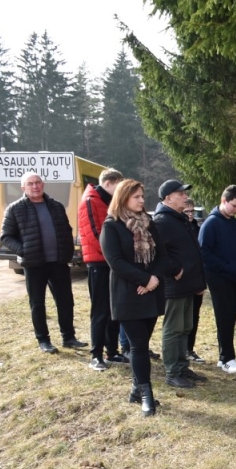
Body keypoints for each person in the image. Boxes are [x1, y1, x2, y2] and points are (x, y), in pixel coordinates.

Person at [100, 179, 166, 416]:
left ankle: (135, 390)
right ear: (123, 197)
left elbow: (161, 254)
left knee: (143, 342)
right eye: (137, 196)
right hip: (127, 294)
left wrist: (153, 279)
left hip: (152, 291)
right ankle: (147, 395)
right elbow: (115, 261)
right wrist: (143, 280)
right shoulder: (111, 226)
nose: (142, 200)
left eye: (142, 196)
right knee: (138, 345)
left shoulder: (148, 223)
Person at [1, 171, 86, 353]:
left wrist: (68, 251)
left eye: (37, 182)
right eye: (30, 184)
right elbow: (6, 237)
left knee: (65, 301)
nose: (35, 186)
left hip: (58, 263)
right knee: (38, 303)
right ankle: (43, 340)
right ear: (23, 187)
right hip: (34, 264)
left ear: (43, 184)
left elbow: (67, 229)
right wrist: (24, 250)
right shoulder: (15, 209)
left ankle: (68, 337)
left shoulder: (56, 206)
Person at [152, 179, 208, 389]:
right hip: (174, 285)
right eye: (180, 194)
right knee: (174, 328)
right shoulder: (161, 221)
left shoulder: (180, 219)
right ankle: (172, 372)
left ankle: (183, 367)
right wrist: (174, 269)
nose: (185, 197)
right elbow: (158, 253)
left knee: (185, 327)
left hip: (189, 284)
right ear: (168, 198)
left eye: (185, 194)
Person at [78, 167, 128, 370]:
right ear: (108, 183)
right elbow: (93, 233)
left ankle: (112, 351)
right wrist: (114, 256)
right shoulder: (90, 201)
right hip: (99, 262)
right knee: (100, 311)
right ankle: (96, 355)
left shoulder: (110, 202)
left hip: (113, 263)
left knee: (113, 309)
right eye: (118, 185)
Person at [199, 185, 236, 374]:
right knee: (224, 317)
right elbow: (204, 253)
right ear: (224, 200)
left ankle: (224, 357)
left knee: (232, 316)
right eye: (234, 206)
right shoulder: (211, 224)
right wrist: (227, 269)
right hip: (219, 278)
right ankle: (227, 359)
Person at [184, 198, 205, 363]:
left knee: (194, 316)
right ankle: (181, 349)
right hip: (183, 281)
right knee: (182, 318)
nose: (190, 215)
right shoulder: (179, 229)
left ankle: (189, 348)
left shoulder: (197, 229)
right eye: (186, 212)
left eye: (192, 211)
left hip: (197, 279)